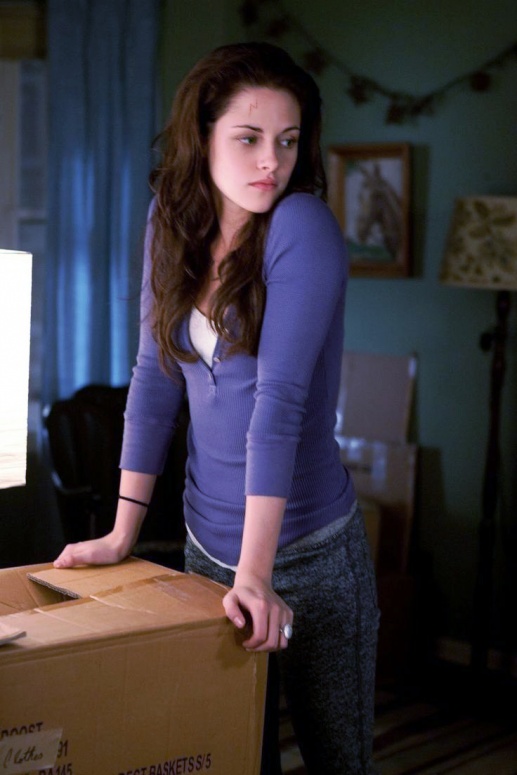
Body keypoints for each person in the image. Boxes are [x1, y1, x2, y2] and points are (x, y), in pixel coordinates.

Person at [54, 42, 380, 774]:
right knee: (231, 756)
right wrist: (122, 532)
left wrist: (256, 575)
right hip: (207, 549)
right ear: (201, 137)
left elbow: (280, 405)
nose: (272, 161)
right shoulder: (169, 220)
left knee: (339, 761)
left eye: (288, 141)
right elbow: (154, 378)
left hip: (309, 551)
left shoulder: (301, 227)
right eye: (248, 138)